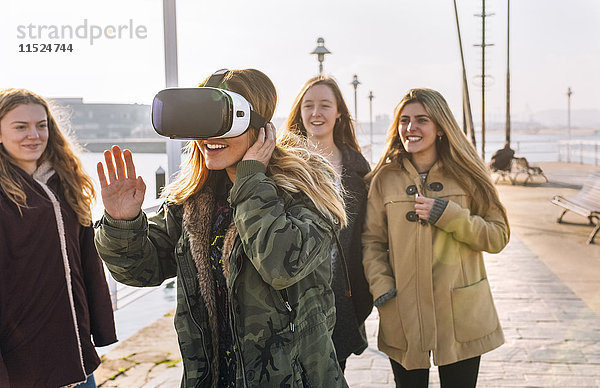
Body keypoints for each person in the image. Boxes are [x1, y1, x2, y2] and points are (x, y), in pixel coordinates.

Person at [94, 69, 349, 387]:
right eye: (201, 123)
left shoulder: (307, 187)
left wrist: (251, 178)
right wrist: (123, 222)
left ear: (256, 124)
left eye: (222, 122)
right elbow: (140, 272)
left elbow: (281, 265)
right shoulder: (192, 199)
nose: (208, 137)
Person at [362, 88, 509, 388]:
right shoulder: (385, 179)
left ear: (440, 127)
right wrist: (382, 290)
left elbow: (498, 235)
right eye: (404, 120)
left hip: (460, 313)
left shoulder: (468, 175)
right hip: (402, 312)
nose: (410, 128)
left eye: (421, 120)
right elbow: (372, 242)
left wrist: (450, 215)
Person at [0, 89, 117, 387]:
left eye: (41, 125)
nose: (34, 135)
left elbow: (89, 262)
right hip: (22, 362)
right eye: (20, 126)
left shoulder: (66, 183)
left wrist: (99, 328)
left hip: (75, 353)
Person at [283, 75, 373, 371]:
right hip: (292, 300)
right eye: (308, 105)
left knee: (334, 373)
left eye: (325, 105)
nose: (316, 113)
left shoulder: (358, 169)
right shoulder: (283, 163)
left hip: (341, 297)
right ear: (299, 112)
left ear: (339, 113)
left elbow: (368, 235)